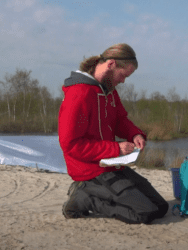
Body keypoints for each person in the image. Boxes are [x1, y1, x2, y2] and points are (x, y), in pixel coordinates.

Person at [58, 43, 168, 224]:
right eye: (123, 75)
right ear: (111, 65)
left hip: (111, 164)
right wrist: (115, 148)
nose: (123, 81)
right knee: (144, 213)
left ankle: (92, 193)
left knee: (161, 208)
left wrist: (134, 134)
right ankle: (84, 197)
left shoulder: (108, 90)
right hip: (90, 171)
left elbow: (120, 120)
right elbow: (70, 144)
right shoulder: (78, 94)